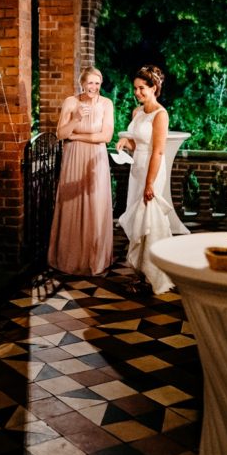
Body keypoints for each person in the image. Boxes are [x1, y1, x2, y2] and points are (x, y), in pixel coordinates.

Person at [47, 66, 115, 275]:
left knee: (95, 204)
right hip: (73, 158)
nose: (93, 87)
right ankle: (70, 257)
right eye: (90, 83)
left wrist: (76, 137)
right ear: (82, 83)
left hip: (96, 159)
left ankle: (95, 258)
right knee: (71, 205)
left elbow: (105, 137)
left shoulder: (106, 104)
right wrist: (75, 118)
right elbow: (60, 134)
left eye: (97, 83)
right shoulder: (71, 102)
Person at [117, 65, 176, 294]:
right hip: (136, 169)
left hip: (151, 170)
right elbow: (138, 144)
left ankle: (155, 276)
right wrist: (125, 143)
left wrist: (150, 183)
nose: (138, 92)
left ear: (154, 87)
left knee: (149, 222)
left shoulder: (160, 114)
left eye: (142, 88)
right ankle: (141, 274)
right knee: (137, 222)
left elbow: (158, 151)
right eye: (135, 88)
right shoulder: (137, 112)